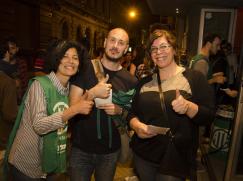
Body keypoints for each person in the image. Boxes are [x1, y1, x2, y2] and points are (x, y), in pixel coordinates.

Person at [128, 30, 215, 181]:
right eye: (154, 49)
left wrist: (188, 107)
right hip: (144, 154)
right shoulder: (144, 82)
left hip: (175, 157)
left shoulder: (194, 78)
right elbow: (131, 113)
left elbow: (208, 116)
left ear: (174, 49)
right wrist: (136, 126)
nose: (158, 52)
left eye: (164, 46)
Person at [5, 40, 95, 180]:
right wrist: (74, 109)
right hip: (26, 165)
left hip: (50, 163)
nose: (70, 61)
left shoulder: (68, 89)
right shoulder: (40, 85)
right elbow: (39, 125)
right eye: (65, 56)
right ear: (55, 59)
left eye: (75, 57)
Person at [69, 28, 137, 181]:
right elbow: (71, 106)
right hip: (81, 150)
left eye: (121, 43)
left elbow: (133, 115)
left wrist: (120, 110)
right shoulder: (85, 69)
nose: (115, 46)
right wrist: (92, 93)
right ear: (105, 42)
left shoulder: (131, 80)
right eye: (112, 40)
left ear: (126, 49)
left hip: (110, 152)